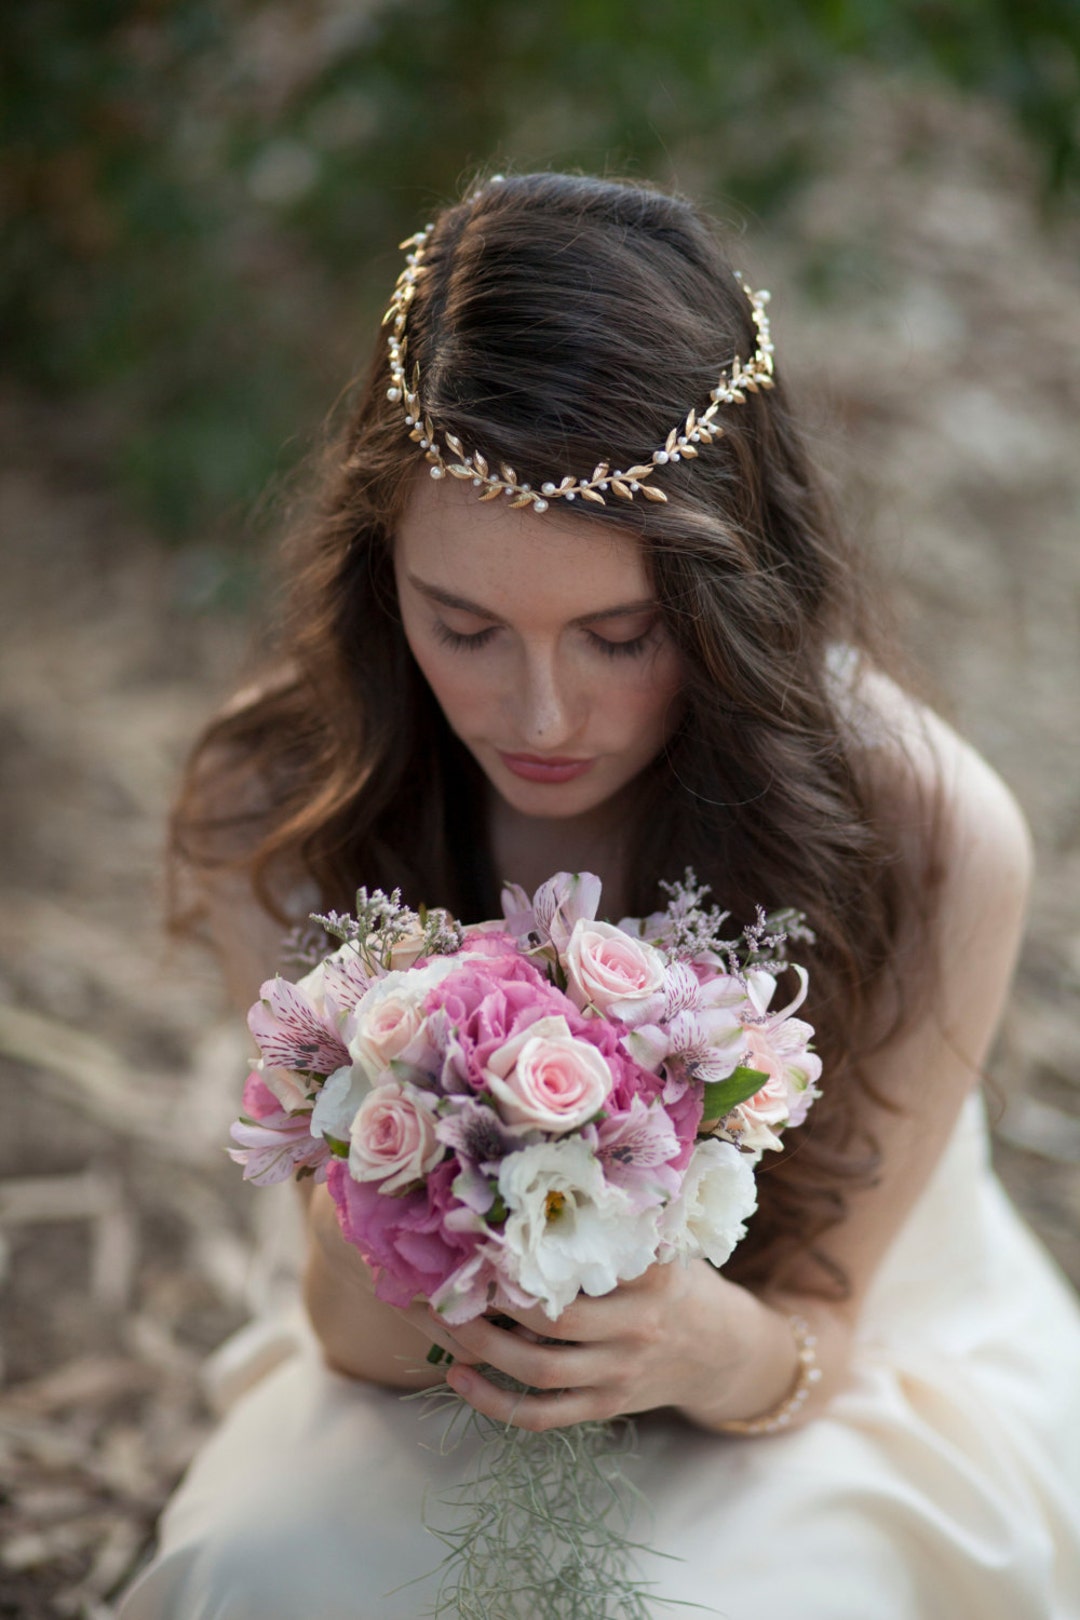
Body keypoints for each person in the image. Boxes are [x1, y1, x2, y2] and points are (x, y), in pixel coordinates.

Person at [117, 171, 1080, 1619]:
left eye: (624, 633)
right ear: (385, 585)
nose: (544, 711)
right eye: (467, 626)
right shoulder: (281, 806)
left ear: (732, 591)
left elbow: (818, 1330)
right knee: (269, 1571)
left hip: (841, 1365)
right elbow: (343, 1326)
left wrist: (701, 1345)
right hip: (423, 1369)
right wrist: (423, 1176)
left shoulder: (930, 832)